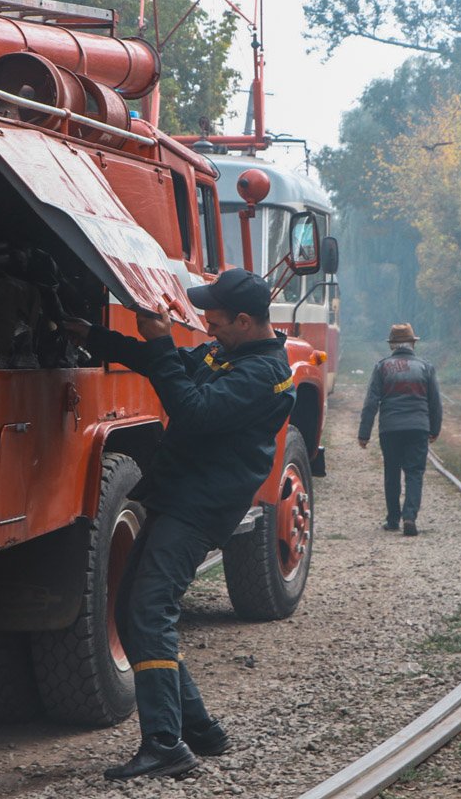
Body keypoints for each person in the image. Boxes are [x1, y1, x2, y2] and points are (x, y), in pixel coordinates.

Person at [63, 268, 296, 780]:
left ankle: (165, 746)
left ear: (243, 320)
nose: (207, 324)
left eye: (215, 317)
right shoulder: (230, 354)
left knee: (149, 613)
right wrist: (93, 335)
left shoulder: (263, 375)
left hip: (199, 507)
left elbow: (193, 411)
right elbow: (161, 363)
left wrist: (163, 342)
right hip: (180, 497)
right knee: (132, 612)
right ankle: (201, 731)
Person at [357, 323, 442, 536]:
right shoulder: (425, 367)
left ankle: (393, 520)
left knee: (392, 472)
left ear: (391, 345)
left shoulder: (382, 367)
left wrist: (364, 433)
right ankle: (409, 517)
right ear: (413, 343)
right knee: (415, 472)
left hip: (390, 428)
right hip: (418, 427)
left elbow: (371, 402)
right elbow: (435, 403)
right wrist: (434, 429)